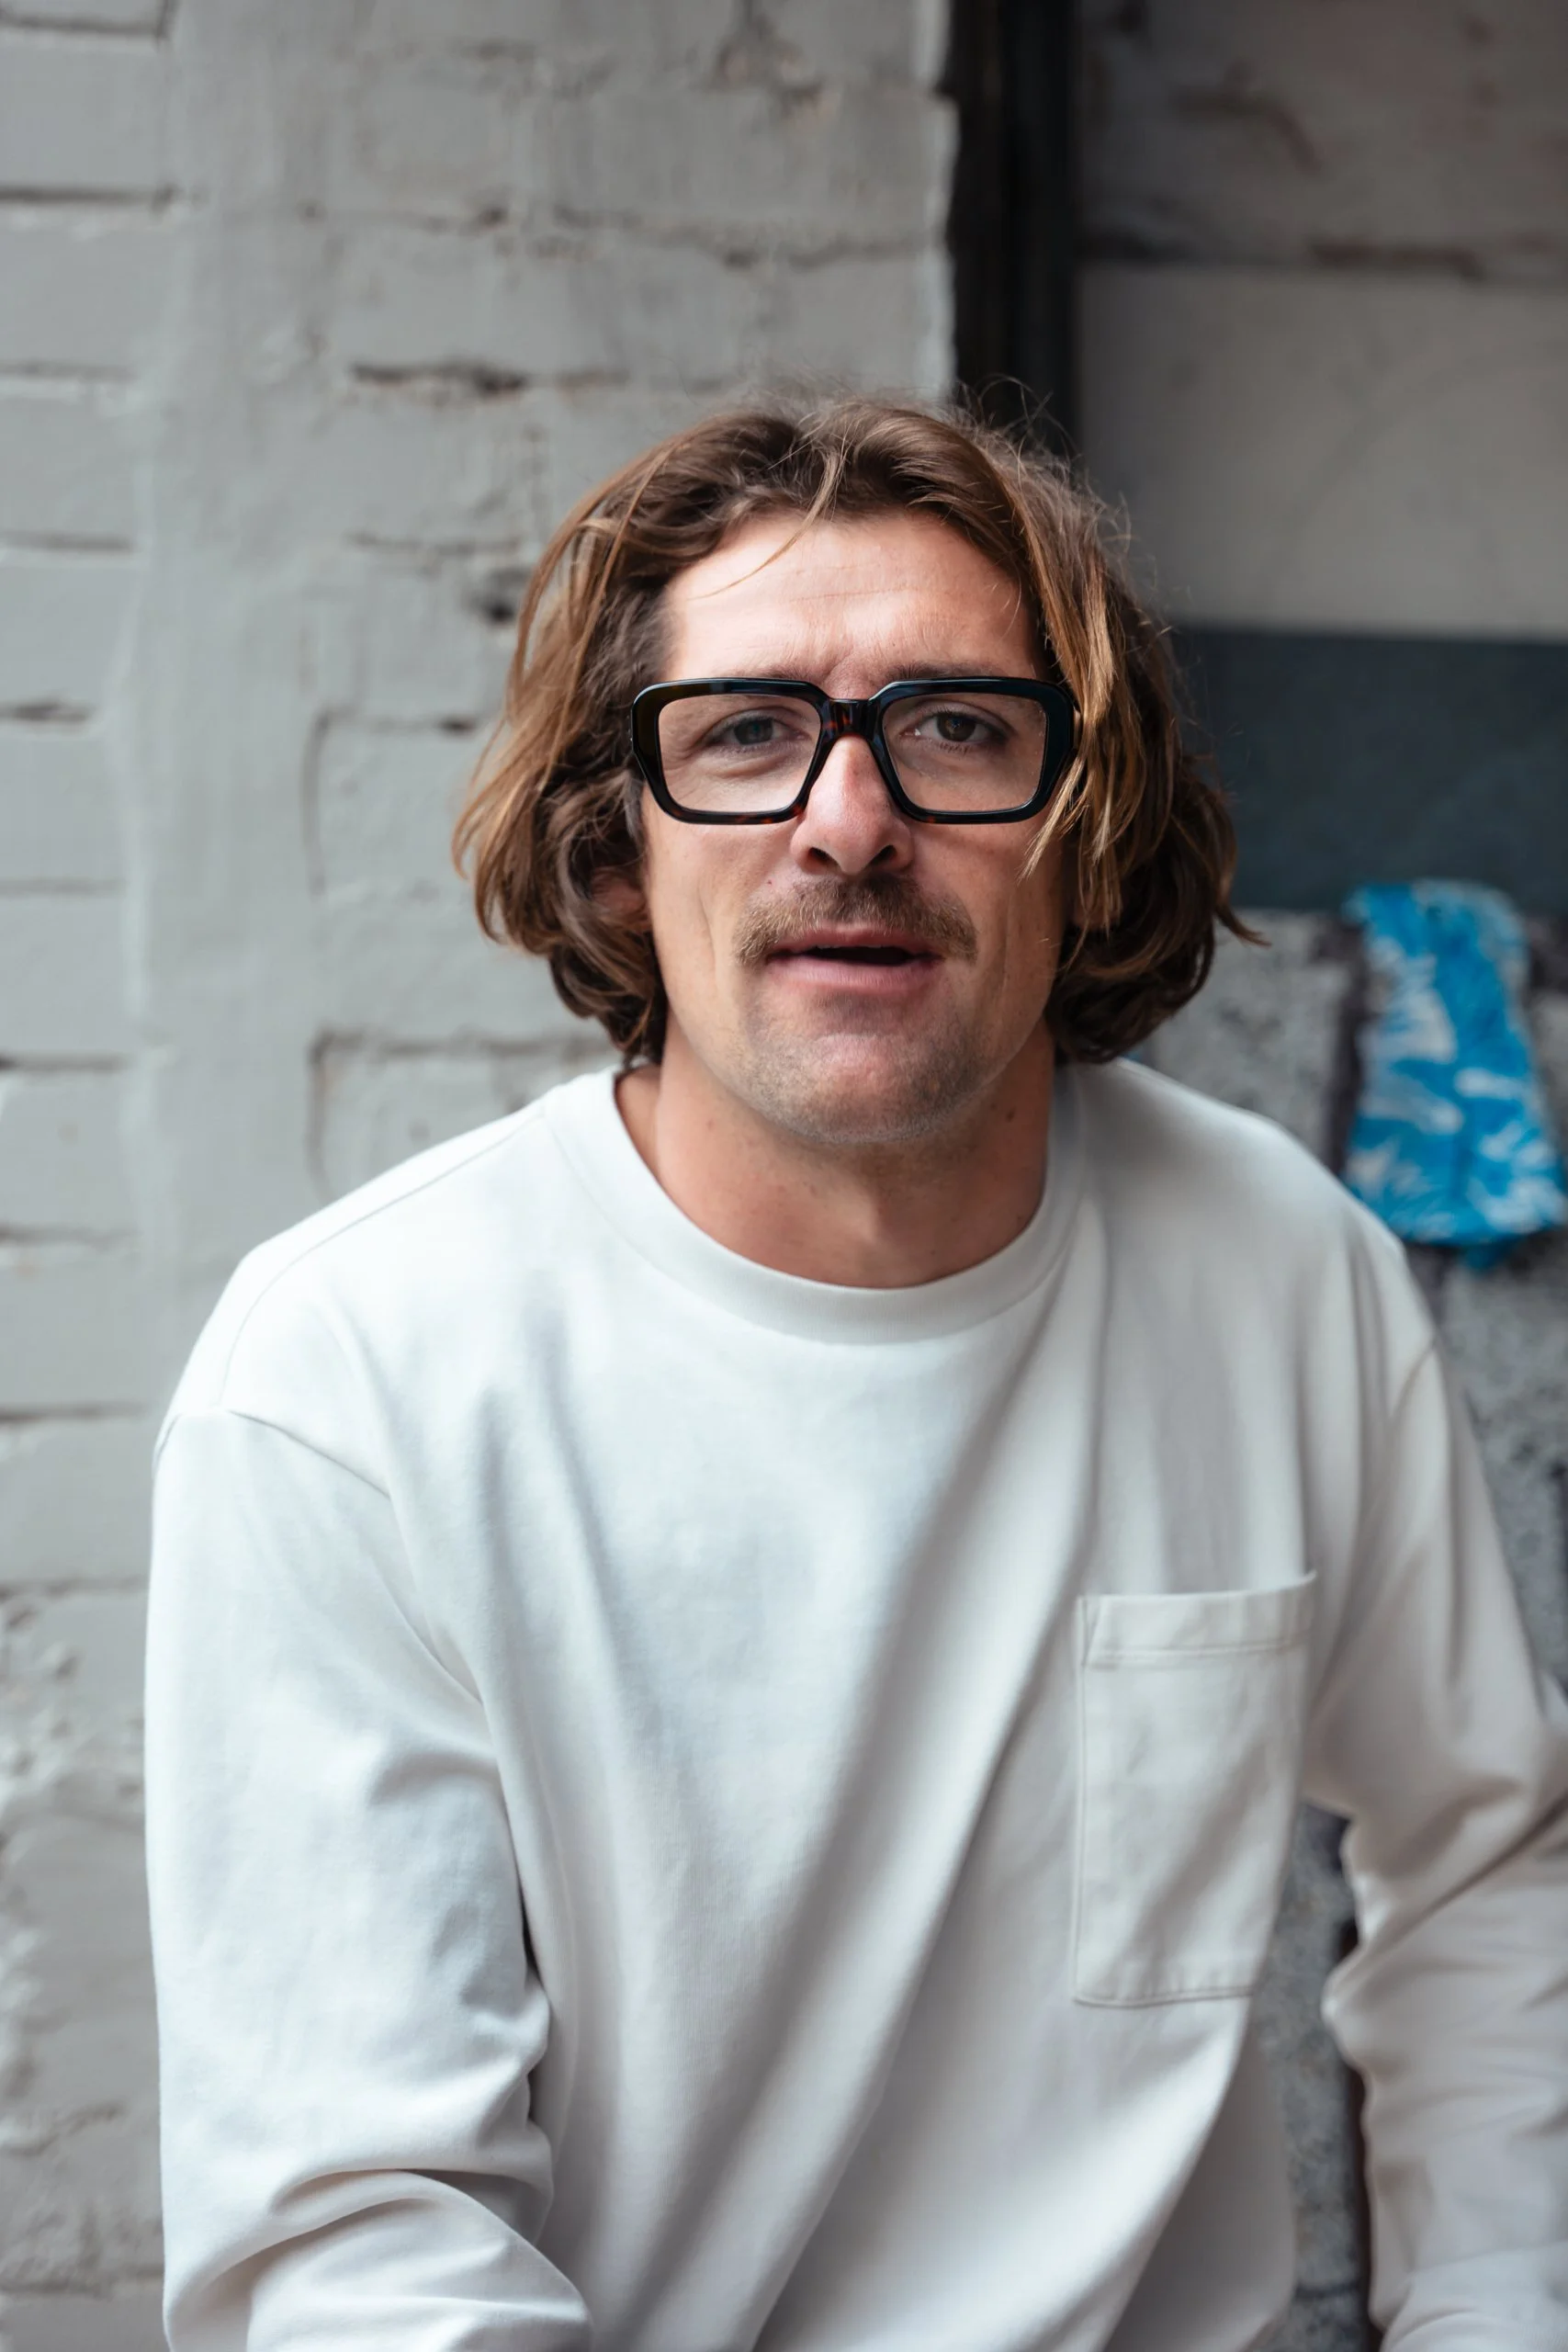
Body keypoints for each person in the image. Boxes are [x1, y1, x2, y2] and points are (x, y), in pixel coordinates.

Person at [145, 399, 1568, 2351]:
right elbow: (364, 2245)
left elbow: (1486, 1852)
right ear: (615, 845)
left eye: (956, 728)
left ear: (1086, 827)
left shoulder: (1278, 1267)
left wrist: (1490, 2306)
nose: (846, 821)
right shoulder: (356, 1376)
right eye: (743, 734)